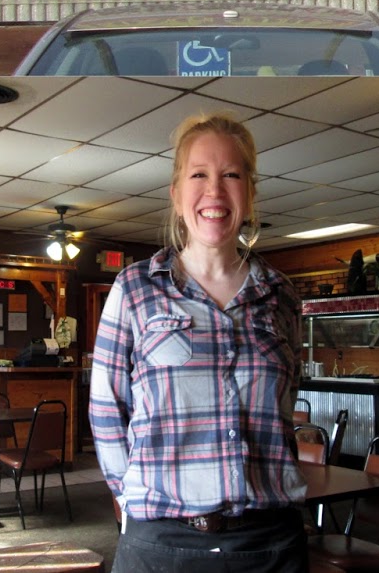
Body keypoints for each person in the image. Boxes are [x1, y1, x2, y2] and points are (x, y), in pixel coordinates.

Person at [91, 111, 309, 571]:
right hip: (162, 546)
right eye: (199, 174)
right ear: (176, 193)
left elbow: (286, 406)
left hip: (269, 544)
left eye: (231, 174)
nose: (215, 190)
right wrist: (128, 497)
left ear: (249, 193)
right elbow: (108, 411)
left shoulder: (281, 295)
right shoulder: (135, 289)